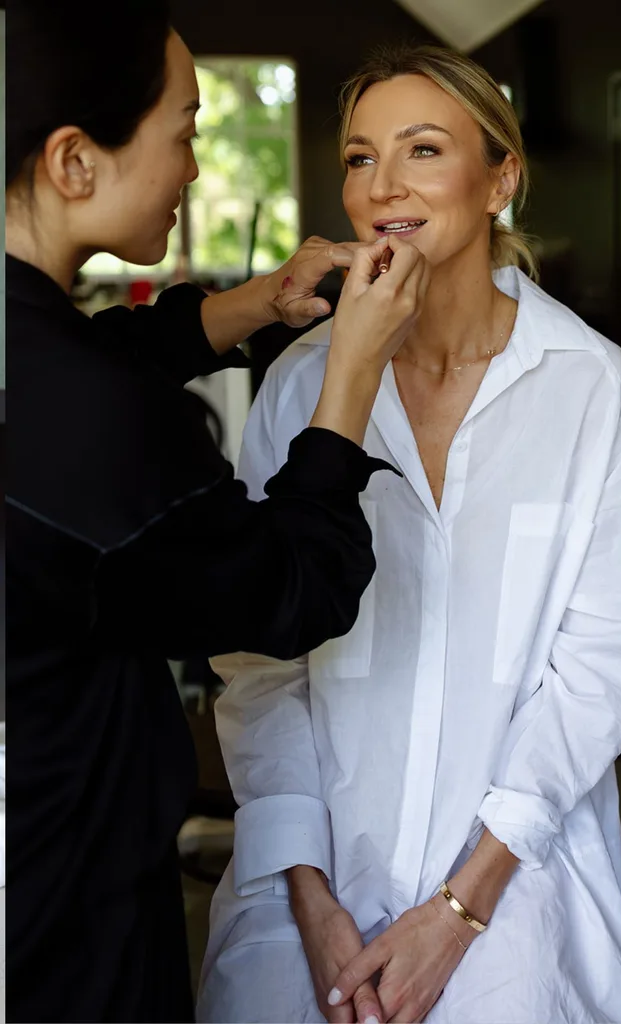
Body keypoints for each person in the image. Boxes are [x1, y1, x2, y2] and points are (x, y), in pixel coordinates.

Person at [199, 45, 621, 1024]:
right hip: (312, 863)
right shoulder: (300, 387)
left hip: (515, 873)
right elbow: (259, 663)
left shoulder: (589, 385)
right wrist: (309, 893)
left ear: (501, 178)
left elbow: (605, 663)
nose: (383, 185)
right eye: (361, 157)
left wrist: (460, 906)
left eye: (422, 148)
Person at [5, 5, 430, 1022]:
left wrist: (252, 303)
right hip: (62, 911)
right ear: (74, 161)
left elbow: (87, 362)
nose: (195, 166)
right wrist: (351, 377)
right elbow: (295, 583)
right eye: (185, 131)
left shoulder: (43, 361)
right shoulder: (95, 420)